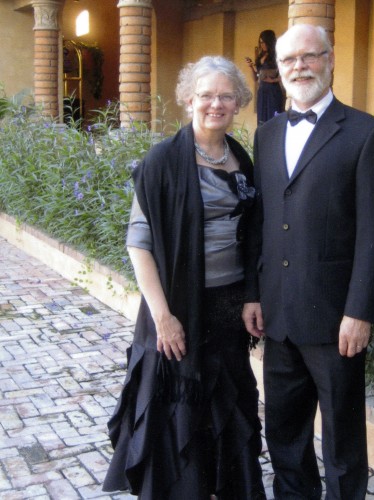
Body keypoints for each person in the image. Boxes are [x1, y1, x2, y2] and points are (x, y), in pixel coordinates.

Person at [243, 24, 374, 499]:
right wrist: (253, 294)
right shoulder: (267, 134)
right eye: (289, 60)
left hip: (335, 321)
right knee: (285, 433)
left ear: (330, 60)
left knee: (342, 441)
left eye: (310, 56)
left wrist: (360, 312)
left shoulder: (367, 134)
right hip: (278, 315)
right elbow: (261, 221)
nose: (299, 67)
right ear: (278, 68)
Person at [103, 56, 265, 500]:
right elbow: (138, 243)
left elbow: (253, 234)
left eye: (226, 96)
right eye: (206, 95)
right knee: (180, 411)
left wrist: (252, 295)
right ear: (189, 100)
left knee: (229, 406)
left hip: (228, 308)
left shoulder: (241, 158)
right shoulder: (162, 160)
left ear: (238, 103)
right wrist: (163, 318)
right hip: (178, 307)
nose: (216, 104)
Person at [246, 30, 285, 124]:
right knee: (261, 119)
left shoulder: (278, 56)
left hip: (273, 91)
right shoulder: (260, 57)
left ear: (269, 42)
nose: (262, 45)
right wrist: (251, 67)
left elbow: (286, 74)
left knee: (273, 118)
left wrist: (274, 80)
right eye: (260, 42)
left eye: (264, 42)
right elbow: (256, 78)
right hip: (262, 91)